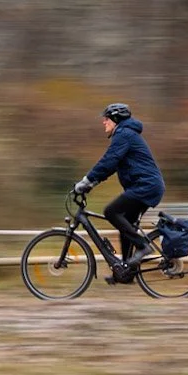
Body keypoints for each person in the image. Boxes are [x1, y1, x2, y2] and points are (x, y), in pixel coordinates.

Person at [72, 102, 166, 272]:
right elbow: (111, 167)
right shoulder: (125, 135)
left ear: (115, 119)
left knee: (111, 212)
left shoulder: (124, 134)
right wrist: (91, 184)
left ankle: (143, 247)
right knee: (125, 227)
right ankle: (126, 271)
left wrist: (86, 181)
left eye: (106, 118)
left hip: (145, 186)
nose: (103, 122)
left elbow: (109, 160)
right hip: (146, 186)